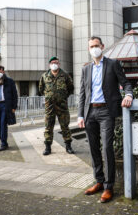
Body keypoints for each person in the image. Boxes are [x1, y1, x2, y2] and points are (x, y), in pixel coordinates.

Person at [78, 36, 133, 203]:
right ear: (89, 49)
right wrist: (81, 115)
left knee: (107, 148)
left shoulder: (113, 64)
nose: (94, 48)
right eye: (91, 46)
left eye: (96, 45)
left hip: (106, 112)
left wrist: (128, 95)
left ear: (102, 46)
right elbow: (82, 94)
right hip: (90, 114)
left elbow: (126, 83)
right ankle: (99, 182)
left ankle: (109, 187)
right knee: (94, 149)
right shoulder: (85, 69)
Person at [39, 56, 75, 155]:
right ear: (49, 64)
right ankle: (47, 147)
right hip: (49, 106)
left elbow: (71, 88)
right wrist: (49, 97)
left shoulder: (65, 75)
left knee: (65, 126)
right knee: (48, 127)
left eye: (56, 62)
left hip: (62, 106)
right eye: (52, 62)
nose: (54, 64)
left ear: (59, 64)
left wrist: (63, 97)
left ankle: (68, 146)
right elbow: (41, 89)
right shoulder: (44, 76)